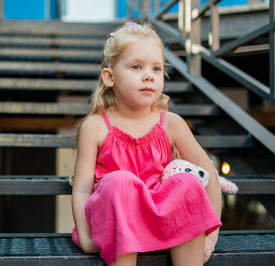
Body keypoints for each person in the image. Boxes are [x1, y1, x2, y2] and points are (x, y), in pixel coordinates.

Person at [71, 22, 222, 266]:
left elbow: (209, 176)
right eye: (136, 66)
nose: (149, 75)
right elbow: (81, 190)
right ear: (109, 77)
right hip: (114, 221)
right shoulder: (96, 126)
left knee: (188, 181)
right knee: (121, 182)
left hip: (161, 219)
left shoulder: (171, 123)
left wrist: (211, 236)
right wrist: (86, 237)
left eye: (156, 68)